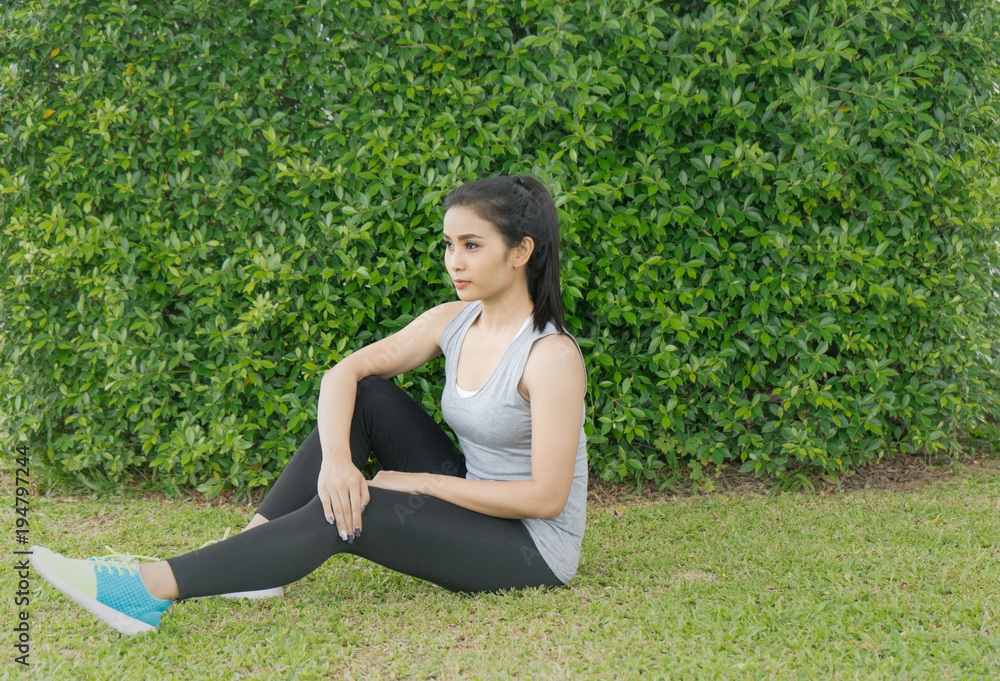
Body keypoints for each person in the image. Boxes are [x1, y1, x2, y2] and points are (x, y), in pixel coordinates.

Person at [30, 174, 589, 635]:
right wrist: (338, 463)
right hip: (471, 490)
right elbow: (343, 374)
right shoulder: (455, 320)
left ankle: (147, 590)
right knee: (367, 398)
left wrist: (420, 484)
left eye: (472, 245)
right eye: (448, 244)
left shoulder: (550, 357)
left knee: (358, 508)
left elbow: (546, 498)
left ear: (521, 252)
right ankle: (254, 557)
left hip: (530, 546)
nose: (454, 261)